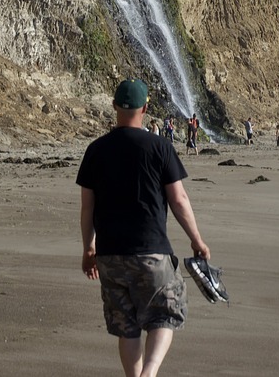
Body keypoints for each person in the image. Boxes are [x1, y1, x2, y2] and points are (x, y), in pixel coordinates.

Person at [78, 78, 210, 377]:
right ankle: (149, 373)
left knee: (127, 326)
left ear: (113, 106)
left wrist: (89, 248)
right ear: (146, 108)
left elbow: (88, 207)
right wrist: (197, 240)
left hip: (110, 254)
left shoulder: (95, 150)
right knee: (164, 315)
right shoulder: (159, 146)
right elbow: (178, 199)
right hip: (151, 250)